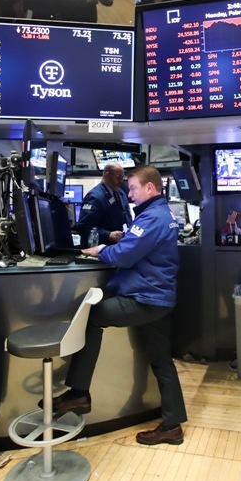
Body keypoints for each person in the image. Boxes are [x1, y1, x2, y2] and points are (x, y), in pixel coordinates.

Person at [49, 165, 187, 445]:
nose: (130, 194)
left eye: (133, 188)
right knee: (162, 361)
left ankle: (79, 393)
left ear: (150, 188)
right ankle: (172, 426)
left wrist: (100, 249)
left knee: (91, 317)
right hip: (159, 298)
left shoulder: (151, 217)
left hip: (145, 299)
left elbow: (123, 256)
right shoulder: (163, 213)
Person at [75, 162, 132, 248]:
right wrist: (108, 235)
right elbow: (83, 227)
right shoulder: (95, 197)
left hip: (118, 246)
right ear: (107, 175)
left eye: (122, 177)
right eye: (118, 177)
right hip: (100, 248)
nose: (121, 181)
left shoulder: (120, 193)